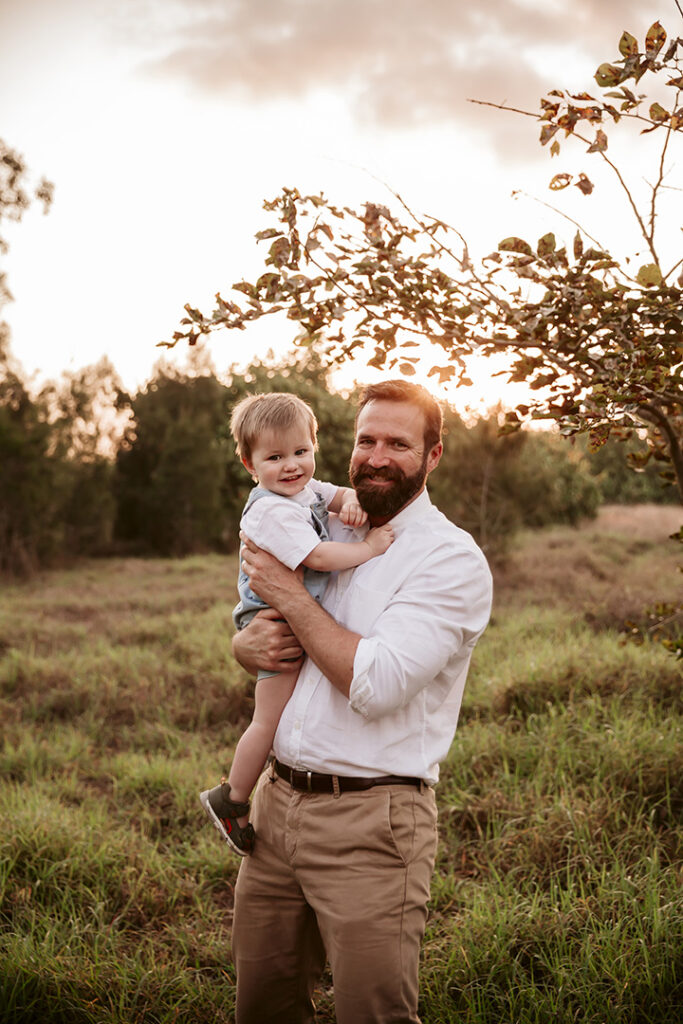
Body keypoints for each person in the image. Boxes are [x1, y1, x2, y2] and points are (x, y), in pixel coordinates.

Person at [230, 380, 493, 1024]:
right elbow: (272, 634)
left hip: (371, 823)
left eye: (398, 444)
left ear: (432, 456)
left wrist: (287, 595)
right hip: (276, 806)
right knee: (262, 1005)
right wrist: (245, 645)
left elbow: (374, 684)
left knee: (371, 1014)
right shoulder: (317, 518)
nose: (376, 456)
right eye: (366, 439)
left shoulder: (449, 559)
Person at [200, 392, 394, 856]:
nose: (291, 466)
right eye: (275, 457)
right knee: (267, 719)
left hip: (290, 612)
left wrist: (351, 502)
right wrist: (369, 547)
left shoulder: (302, 490)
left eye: (301, 453)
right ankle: (231, 799)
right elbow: (318, 556)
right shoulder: (270, 510)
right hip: (271, 618)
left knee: (279, 715)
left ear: (314, 447)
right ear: (250, 463)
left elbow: (334, 493)